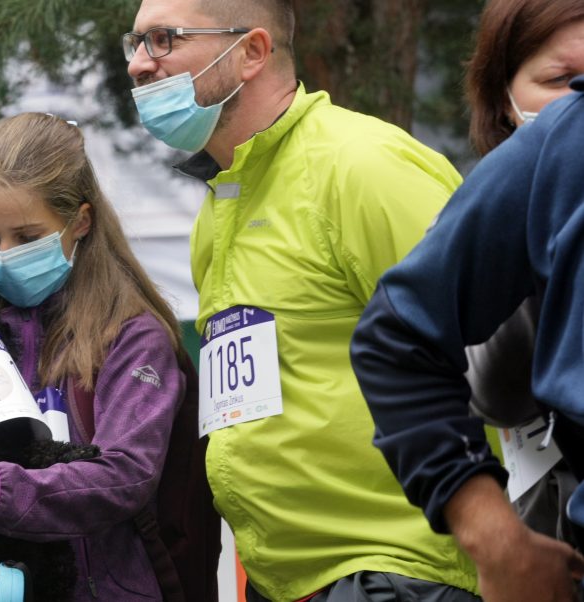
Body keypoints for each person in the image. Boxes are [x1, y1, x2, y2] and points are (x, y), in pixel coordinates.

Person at [124, 0, 479, 600]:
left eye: (163, 39)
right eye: (132, 43)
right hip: (279, 579)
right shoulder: (222, 202)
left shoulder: (363, 166)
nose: (137, 65)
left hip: (398, 572)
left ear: (252, 53)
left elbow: (486, 362)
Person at [0, 112, 220, 601]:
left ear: (81, 222)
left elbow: (126, 474)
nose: (5, 253)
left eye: (27, 237)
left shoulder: (131, 337)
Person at [350, 74, 584, 602]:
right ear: (503, 99)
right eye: (553, 77)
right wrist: (493, 535)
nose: (142, 67)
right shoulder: (566, 140)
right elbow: (399, 334)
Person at [460, 0, 584, 545]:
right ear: (505, 101)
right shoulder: (492, 209)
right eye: (562, 80)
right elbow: (493, 390)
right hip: (548, 532)